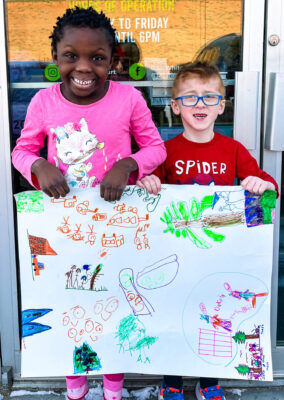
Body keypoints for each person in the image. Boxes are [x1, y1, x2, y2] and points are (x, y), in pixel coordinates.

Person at [12, 6, 166, 400]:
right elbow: (22, 150)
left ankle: (113, 390)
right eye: (71, 56)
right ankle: (76, 388)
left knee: (114, 306)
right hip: (63, 231)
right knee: (68, 307)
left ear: (112, 61)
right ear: (56, 58)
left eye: (97, 58)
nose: (84, 67)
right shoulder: (44, 103)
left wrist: (128, 163)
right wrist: (40, 165)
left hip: (116, 227)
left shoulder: (128, 98)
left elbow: (155, 147)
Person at [137, 61, 278, 400]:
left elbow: (269, 190)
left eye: (208, 97)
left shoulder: (233, 150)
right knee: (173, 312)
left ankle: (208, 378)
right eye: (189, 98)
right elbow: (141, 190)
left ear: (221, 105)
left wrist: (260, 183)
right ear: (174, 106)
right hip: (176, 252)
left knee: (212, 315)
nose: (199, 105)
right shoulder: (166, 152)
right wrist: (148, 180)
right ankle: (170, 380)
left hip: (218, 256)